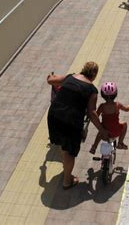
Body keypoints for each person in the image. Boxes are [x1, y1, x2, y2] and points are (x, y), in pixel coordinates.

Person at [47, 62, 109, 190]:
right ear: (94, 75)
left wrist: (50, 76)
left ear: (83, 69)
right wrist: (102, 130)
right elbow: (92, 113)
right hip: (70, 121)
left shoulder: (70, 77)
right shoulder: (92, 90)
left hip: (54, 115)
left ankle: (66, 168)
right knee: (70, 152)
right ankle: (67, 181)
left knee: (63, 146)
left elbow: (51, 81)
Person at [89, 81, 129, 154]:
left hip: (105, 134)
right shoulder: (117, 105)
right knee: (124, 124)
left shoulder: (102, 106)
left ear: (103, 95)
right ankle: (120, 143)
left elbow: (96, 116)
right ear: (115, 94)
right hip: (116, 131)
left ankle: (94, 147)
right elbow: (126, 109)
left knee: (100, 130)